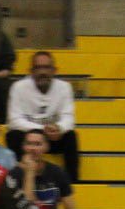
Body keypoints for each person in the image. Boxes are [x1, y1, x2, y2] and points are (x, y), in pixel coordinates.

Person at [5, 51, 79, 182]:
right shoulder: (18, 87)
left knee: (71, 136)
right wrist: (41, 129)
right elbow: (14, 120)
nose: (42, 72)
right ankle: (19, 179)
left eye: (46, 67)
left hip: (53, 137)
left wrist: (59, 128)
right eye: (38, 68)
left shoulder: (65, 87)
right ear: (31, 71)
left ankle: (70, 183)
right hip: (29, 138)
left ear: (54, 70)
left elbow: (69, 118)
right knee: (12, 135)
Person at [9, 128, 75, 209]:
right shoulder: (15, 174)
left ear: (46, 147)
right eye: (29, 144)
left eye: (38, 144)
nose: (33, 148)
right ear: (23, 147)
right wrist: (30, 173)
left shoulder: (57, 172)